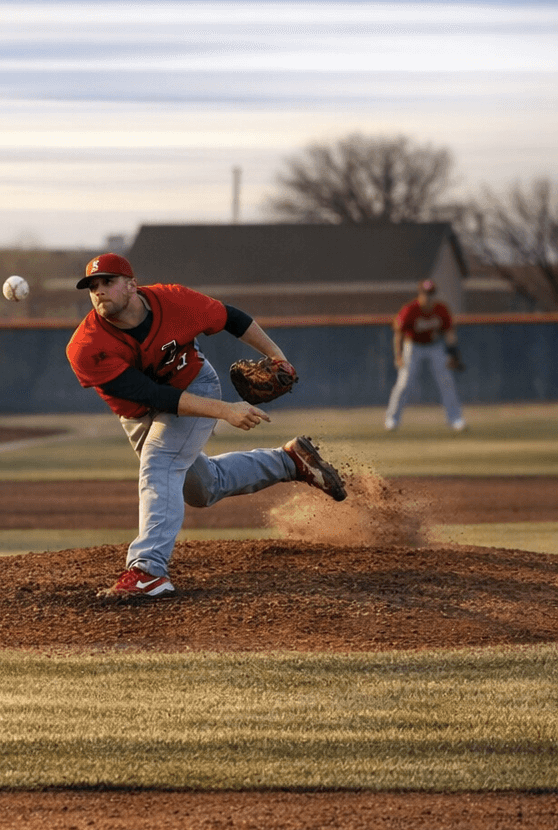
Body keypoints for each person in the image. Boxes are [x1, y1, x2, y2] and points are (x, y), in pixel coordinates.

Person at [65, 252, 348, 599]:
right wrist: (225, 411)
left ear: (132, 285)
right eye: (92, 286)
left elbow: (232, 318)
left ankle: (148, 570)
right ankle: (289, 461)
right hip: (140, 413)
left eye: (108, 281)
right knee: (203, 488)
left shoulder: (174, 301)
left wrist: (279, 358)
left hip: (195, 385)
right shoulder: (85, 347)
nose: (99, 291)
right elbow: (154, 395)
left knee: (160, 462)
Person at [385, 279, 466, 433]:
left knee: (446, 381)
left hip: (434, 346)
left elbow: (449, 333)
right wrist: (398, 355)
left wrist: (454, 354)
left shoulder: (441, 309)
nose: (428, 297)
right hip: (413, 346)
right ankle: (392, 419)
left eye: (431, 294)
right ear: (420, 294)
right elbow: (398, 333)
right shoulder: (410, 309)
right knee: (404, 383)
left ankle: (455, 419)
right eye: (425, 294)